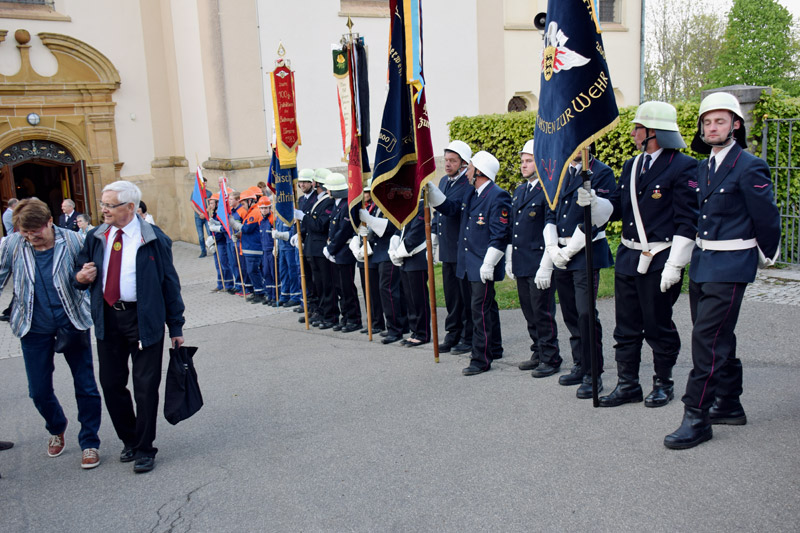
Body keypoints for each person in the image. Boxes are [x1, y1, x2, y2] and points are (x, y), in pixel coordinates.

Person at [663, 92, 781, 450]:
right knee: (716, 337)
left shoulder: (749, 165)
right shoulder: (703, 167)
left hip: (731, 264)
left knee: (706, 341)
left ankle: (696, 417)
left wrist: (766, 255)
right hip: (703, 263)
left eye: (720, 121)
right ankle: (728, 403)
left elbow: (767, 216)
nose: (712, 127)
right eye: (707, 122)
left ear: (736, 125)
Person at [592, 101, 698, 408]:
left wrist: (676, 264)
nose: (633, 132)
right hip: (629, 255)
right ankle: (628, 384)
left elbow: (687, 219)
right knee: (625, 325)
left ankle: (663, 382)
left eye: (637, 127)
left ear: (653, 132)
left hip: (660, 257)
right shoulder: (631, 165)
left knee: (657, 324)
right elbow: (619, 207)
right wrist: (595, 203)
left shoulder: (683, 166)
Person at [74, 180, 185, 473]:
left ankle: (146, 448)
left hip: (143, 319)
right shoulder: (96, 236)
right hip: (108, 317)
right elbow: (80, 269)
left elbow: (170, 284)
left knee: (145, 387)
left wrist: (176, 326)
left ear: (131, 207)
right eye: (103, 204)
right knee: (111, 384)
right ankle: (130, 439)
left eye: (110, 205)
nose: (103, 210)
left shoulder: (154, 238)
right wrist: (81, 278)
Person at [0, 198, 102, 469]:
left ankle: (89, 440)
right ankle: (57, 426)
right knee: (38, 391)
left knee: (86, 386)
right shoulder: (11, 245)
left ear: (49, 223)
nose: (31, 238)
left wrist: (84, 278)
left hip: (72, 322)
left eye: (37, 232)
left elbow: (93, 276)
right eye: (25, 233)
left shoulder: (73, 240)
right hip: (32, 328)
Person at [427, 151, 512, 376]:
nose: (468, 171)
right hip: (468, 263)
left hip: (482, 264)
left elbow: (500, 234)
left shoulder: (497, 195)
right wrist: (433, 192)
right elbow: (453, 210)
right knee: (482, 309)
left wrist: (489, 263)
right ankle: (493, 347)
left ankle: (480, 359)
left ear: (480, 172)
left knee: (480, 312)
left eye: (471, 167)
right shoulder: (473, 194)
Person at [545, 150, 616, 398]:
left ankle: (593, 372)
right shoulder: (562, 171)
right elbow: (551, 210)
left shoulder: (601, 172)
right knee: (570, 313)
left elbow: (598, 218)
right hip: (562, 252)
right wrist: (554, 247)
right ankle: (580, 363)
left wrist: (570, 249)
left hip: (585, 250)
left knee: (586, 313)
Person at [506, 140, 562, 378]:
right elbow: (514, 227)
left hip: (540, 262)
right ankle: (537, 351)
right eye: (522, 161)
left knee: (543, 312)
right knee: (529, 312)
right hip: (522, 262)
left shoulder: (549, 190)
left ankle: (551, 357)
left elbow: (551, 226)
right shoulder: (520, 191)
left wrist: (546, 266)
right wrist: (510, 258)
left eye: (529, 161)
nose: (524, 165)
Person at [433, 141, 473, 355]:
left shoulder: (467, 184)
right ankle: (453, 332)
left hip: (461, 247)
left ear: (464, 164)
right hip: (447, 247)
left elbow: (451, 208)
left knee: (463, 294)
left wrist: (435, 197)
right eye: (446, 160)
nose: (447, 164)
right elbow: (437, 213)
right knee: (451, 295)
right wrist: (432, 232)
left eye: (453, 161)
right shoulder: (443, 181)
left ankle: (468, 335)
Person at [294, 171, 336, 328]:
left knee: (326, 285)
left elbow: (319, 225)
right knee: (317, 284)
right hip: (311, 248)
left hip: (320, 249)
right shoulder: (318, 201)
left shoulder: (327, 202)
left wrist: (304, 217)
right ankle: (321, 311)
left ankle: (329, 315)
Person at [323, 173, 362, 332]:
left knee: (347, 288)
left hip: (344, 252)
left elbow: (343, 231)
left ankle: (354, 319)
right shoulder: (338, 204)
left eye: (329, 189)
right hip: (337, 252)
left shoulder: (346, 205)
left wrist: (331, 248)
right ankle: (345, 317)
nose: (327, 192)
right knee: (340, 287)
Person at [390, 198, 430, 347]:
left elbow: (416, 232)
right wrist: (394, 247)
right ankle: (415, 331)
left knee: (419, 298)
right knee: (410, 299)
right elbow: (400, 228)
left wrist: (400, 251)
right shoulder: (408, 205)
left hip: (416, 257)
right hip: (406, 257)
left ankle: (423, 333)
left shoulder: (421, 204)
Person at [352, 182, 385, 334]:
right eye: (363, 192)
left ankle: (378, 322)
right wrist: (357, 244)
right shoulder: (366, 207)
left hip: (374, 252)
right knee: (367, 291)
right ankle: (371, 321)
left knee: (374, 291)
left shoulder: (379, 207)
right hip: (363, 252)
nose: (364, 195)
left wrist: (368, 244)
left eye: (367, 192)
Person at [293, 169, 319, 317]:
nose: (301, 185)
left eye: (305, 182)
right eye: (300, 182)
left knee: (315, 280)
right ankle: (310, 306)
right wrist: (297, 236)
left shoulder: (316, 199)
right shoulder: (301, 200)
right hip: (304, 243)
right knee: (307, 278)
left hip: (313, 243)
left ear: (312, 183)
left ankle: (317, 309)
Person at [240, 188, 268, 304]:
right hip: (250, 247)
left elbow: (247, 228)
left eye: (243, 203)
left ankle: (260, 293)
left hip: (254, 248)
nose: (242, 206)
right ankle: (258, 291)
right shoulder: (251, 212)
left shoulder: (255, 212)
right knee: (252, 271)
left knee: (253, 270)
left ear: (250, 201)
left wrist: (235, 225)